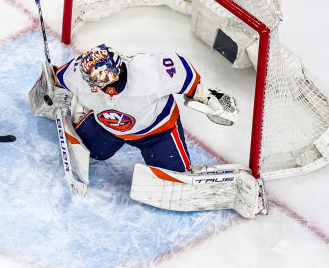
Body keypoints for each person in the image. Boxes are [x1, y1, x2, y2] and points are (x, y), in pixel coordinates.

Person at [31, 43, 238, 173]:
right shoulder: (80, 73)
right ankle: (82, 115)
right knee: (92, 153)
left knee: (173, 176)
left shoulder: (147, 72)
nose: (91, 87)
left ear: (113, 77)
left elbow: (185, 73)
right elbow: (56, 77)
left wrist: (206, 97)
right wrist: (48, 92)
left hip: (157, 132)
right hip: (107, 127)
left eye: (97, 83)